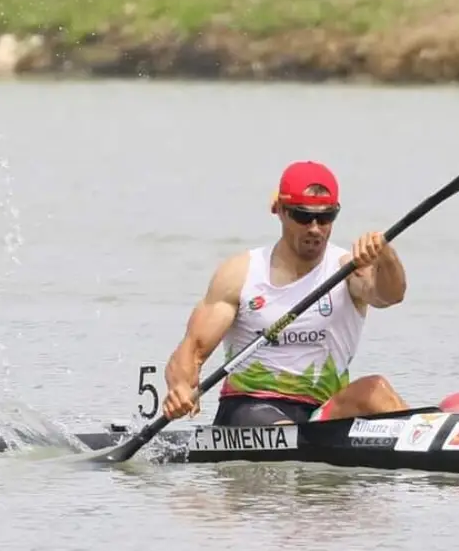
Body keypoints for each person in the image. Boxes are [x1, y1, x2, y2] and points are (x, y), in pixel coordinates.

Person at [161, 160, 410, 427]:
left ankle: (430, 437)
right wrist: (180, 387)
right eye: (303, 216)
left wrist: (386, 255)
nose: (314, 228)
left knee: (376, 390)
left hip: (320, 414)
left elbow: (390, 296)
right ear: (280, 210)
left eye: (325, 217)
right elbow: (192, 350)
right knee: (287, 432)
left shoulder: (348, 269)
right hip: (249, 408)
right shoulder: (241, 273)